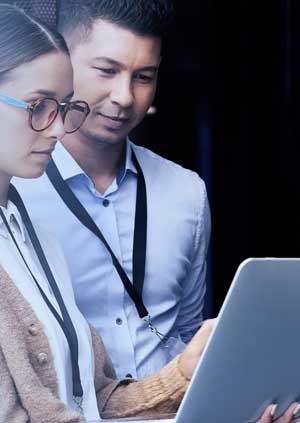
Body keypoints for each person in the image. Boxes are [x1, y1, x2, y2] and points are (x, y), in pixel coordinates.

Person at [0, 5, 300, 422]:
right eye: (37, 106)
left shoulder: (29, 235)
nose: (58, 128)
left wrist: (184, 375)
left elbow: (94, 403)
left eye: (63, 108)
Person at [13, 0, 212, 380]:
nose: (124, 97)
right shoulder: (12, 192)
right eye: (107, 70)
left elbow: (189, 337)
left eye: (144, 76)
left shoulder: (186, 193)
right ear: (60, 63)